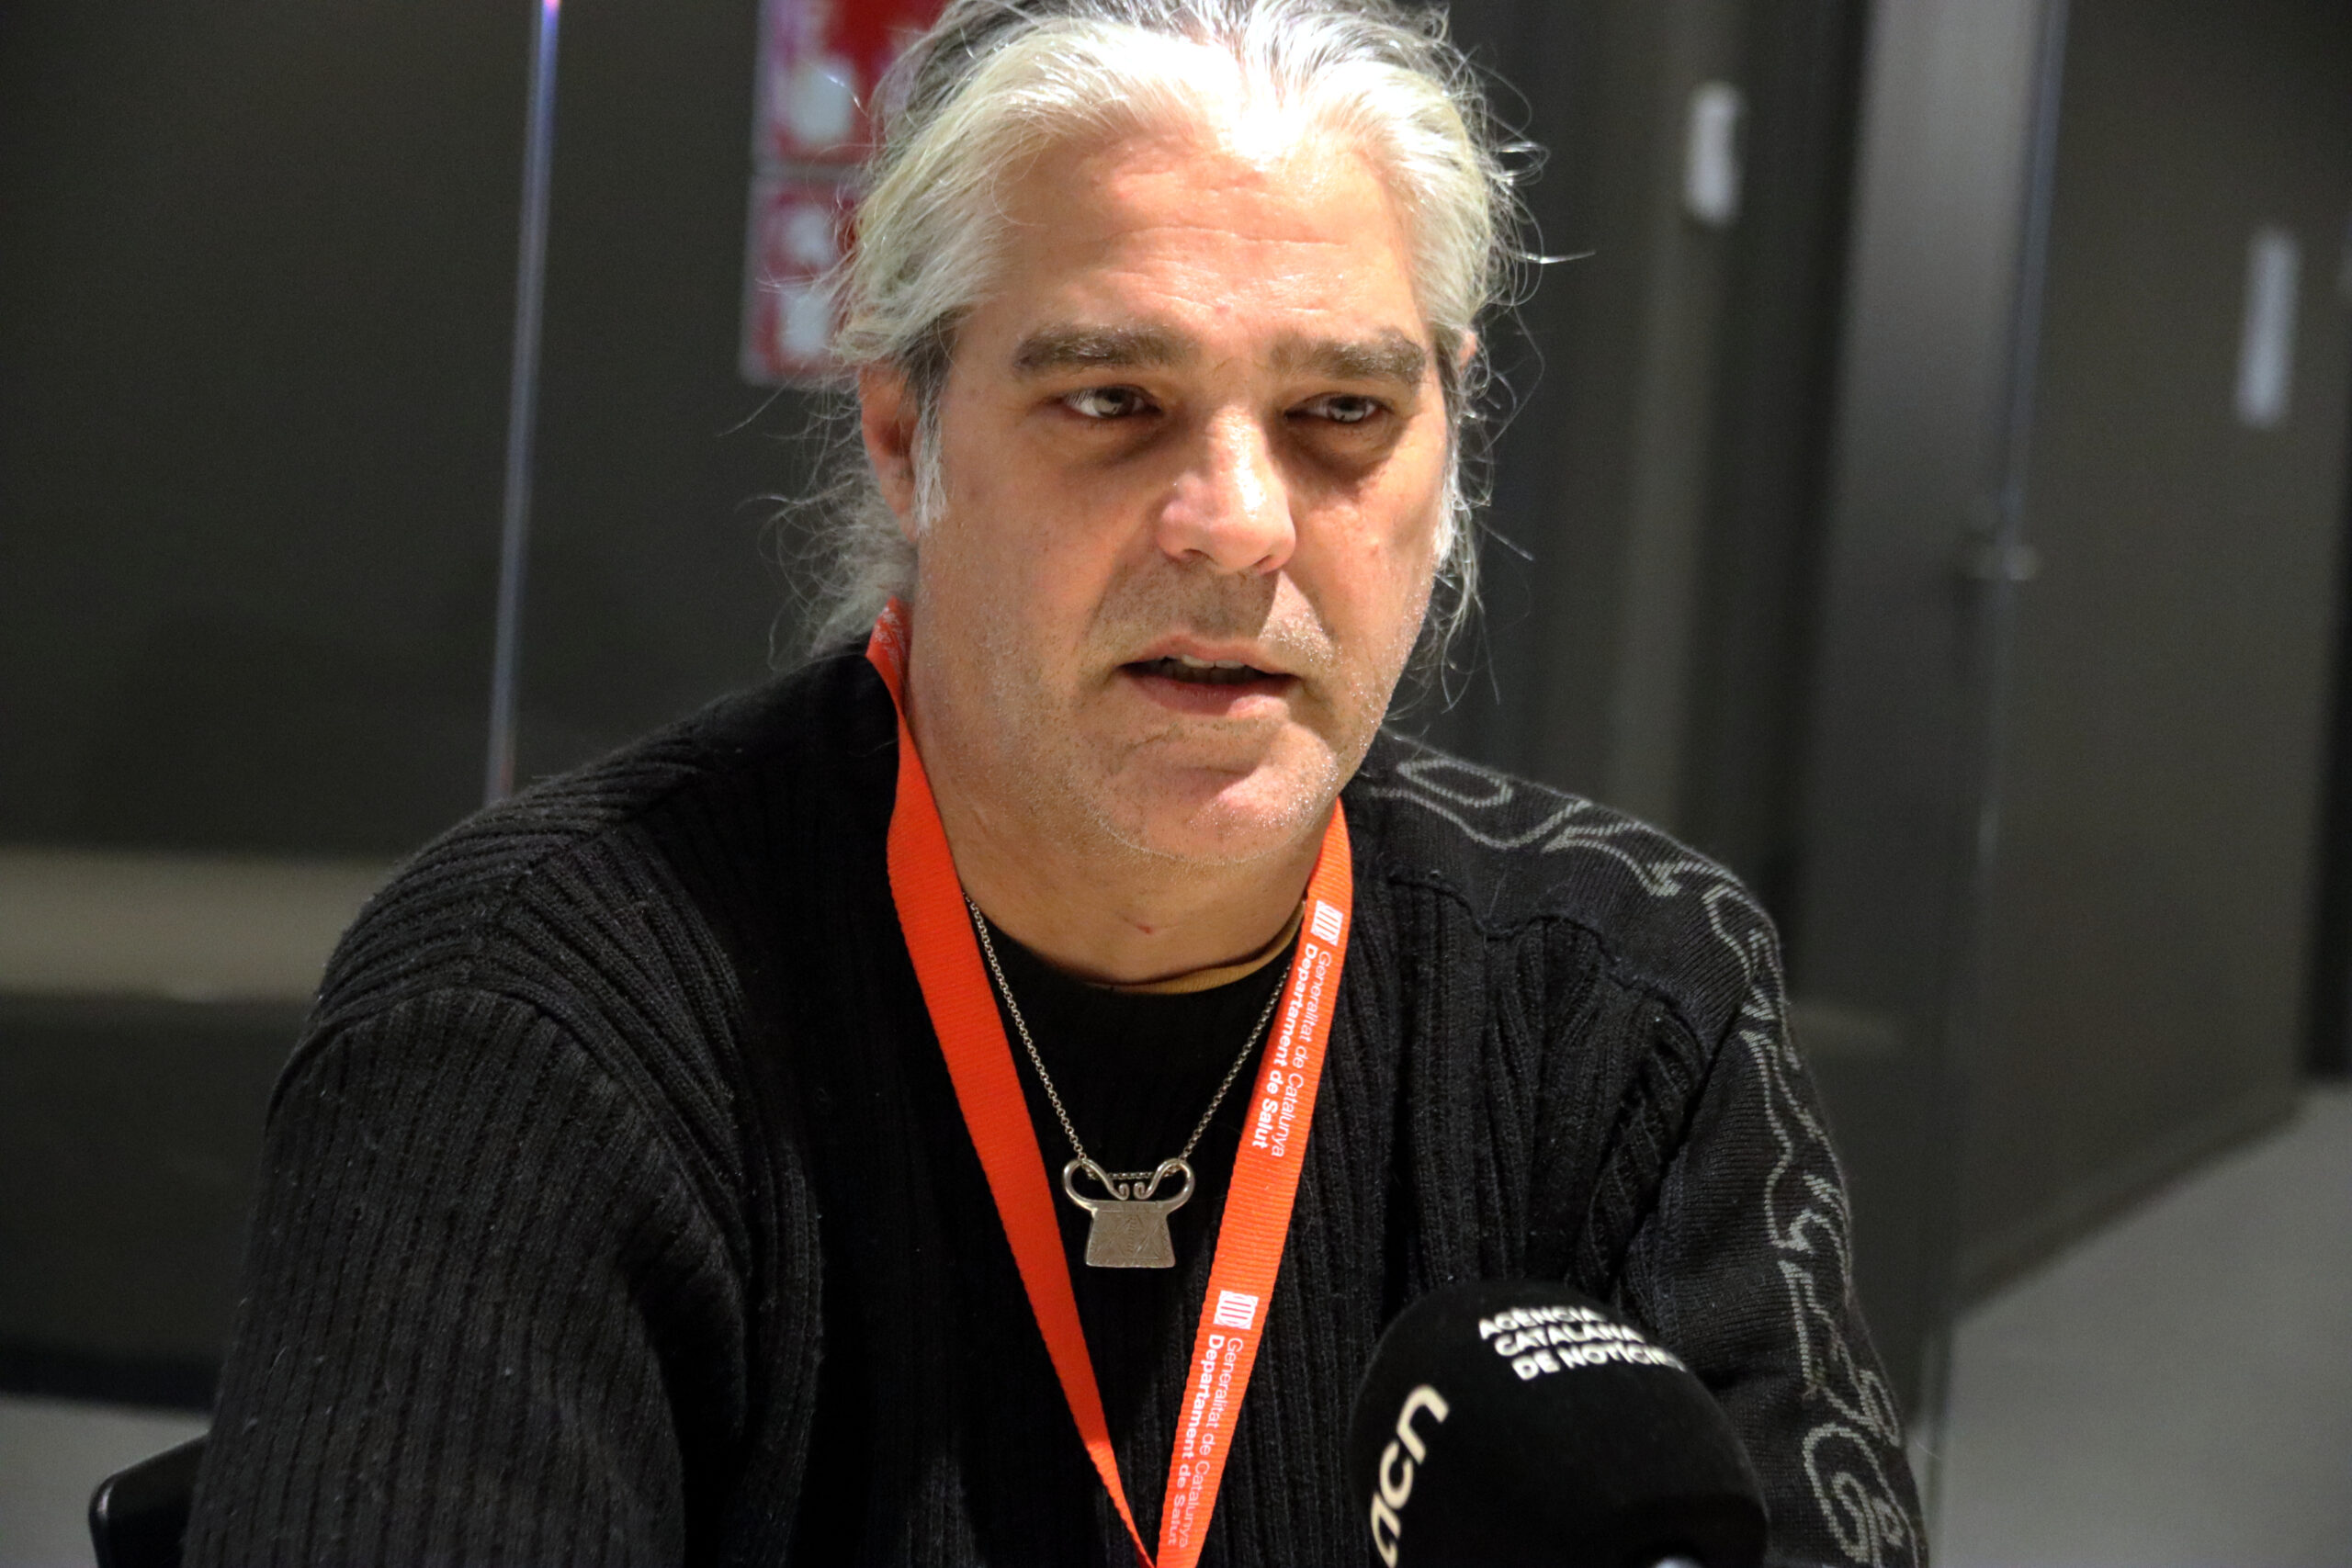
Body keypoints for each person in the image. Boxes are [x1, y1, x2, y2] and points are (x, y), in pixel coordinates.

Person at [187, 2, 1924, 1563]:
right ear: (903, 427)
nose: (1237, 524)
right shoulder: (528, 1011)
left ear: (1452, 432)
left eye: (1341, 413)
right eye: (1113, 400)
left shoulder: (1625, 1000)